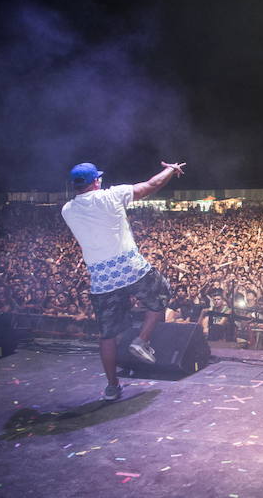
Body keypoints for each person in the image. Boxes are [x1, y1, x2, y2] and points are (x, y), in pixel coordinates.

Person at [61, 161, 185, 401]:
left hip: (102, 279)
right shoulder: (111, 196)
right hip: (131, 269)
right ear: (96, 181)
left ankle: (111, 386)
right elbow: (151, 185)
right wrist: (171, 169)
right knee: (161, 295)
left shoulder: (67, 209)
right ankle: (142, 341)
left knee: (108, 335)